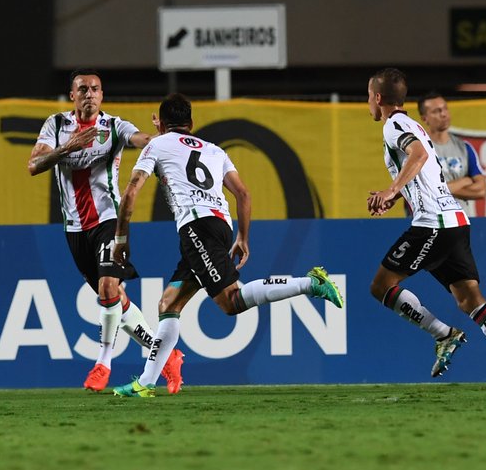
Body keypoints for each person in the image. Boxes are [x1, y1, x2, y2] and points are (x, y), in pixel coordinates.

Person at [109, 93, 343, 398]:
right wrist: (243, 237)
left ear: (163, 125)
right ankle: (147, 383)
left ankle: (310, 283)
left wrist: (121, 239)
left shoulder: (157, 144)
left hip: (196, 228)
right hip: (220, 225)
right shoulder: (214, 150)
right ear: (191, 124)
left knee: (231, 302)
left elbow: (130, 193)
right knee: (169, 304)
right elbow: (243, 194)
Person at [366, 69, 486, 388]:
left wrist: (391, 190)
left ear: (378, 98)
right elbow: (423, 170)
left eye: (368, 96)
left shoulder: (395, 124)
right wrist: (398, 194)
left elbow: (416, 155)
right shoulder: (413, 125)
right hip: (455, 222)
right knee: (470, 299)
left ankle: (443, 334)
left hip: (432, 224)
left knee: (381, 286)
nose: (368, 103)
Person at [28, 69, 183, 393]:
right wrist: (67, 147)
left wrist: (163, 136)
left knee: (108, 286)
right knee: (115, 298)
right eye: (82, 89)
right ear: (72, 95)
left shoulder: (113, 126)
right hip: (74, 228)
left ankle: (103, 362)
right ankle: (166, 354)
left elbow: (142, 140)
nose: (89, 94)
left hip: (108, 221)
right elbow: (34, 165)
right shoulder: (56, 126)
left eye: (95, 89)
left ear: (102, 95)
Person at [417, 93, 486, 216]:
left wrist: (439, 191)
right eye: (436, 111)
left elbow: (481, 190)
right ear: (424, 118)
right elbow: (423, 192)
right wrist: (465, 181)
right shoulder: (418, 148)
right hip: (428, 221)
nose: (443, 114)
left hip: (460, 222)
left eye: (445, 109)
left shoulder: (464, 147)